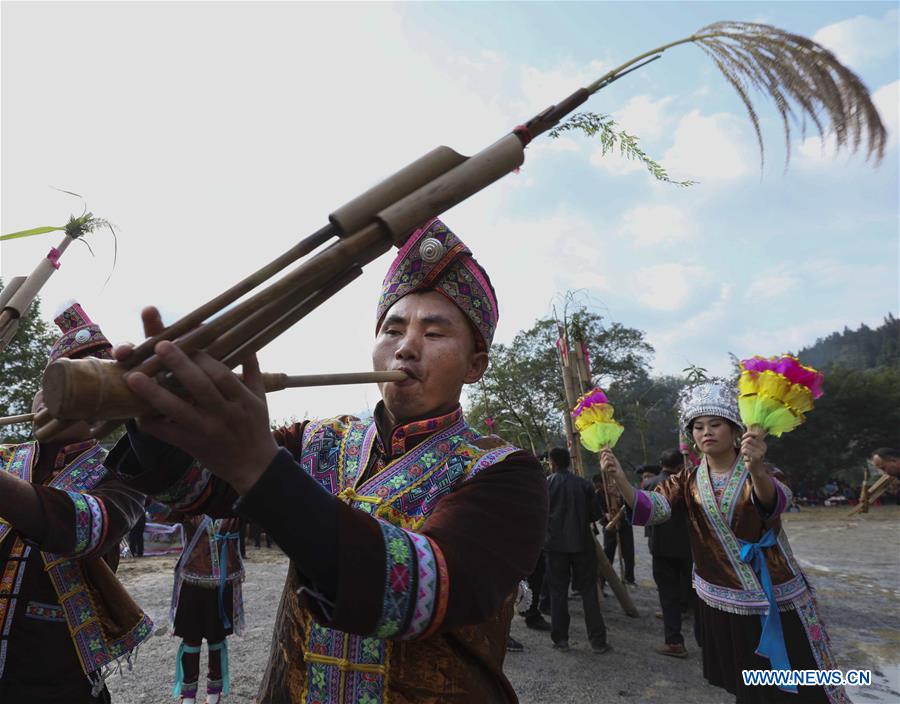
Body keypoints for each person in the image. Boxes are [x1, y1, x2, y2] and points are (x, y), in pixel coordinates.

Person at [107, 218, 548, 702]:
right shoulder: (319, 440)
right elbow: (198, 489)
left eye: (435, 333)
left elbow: (426, 589)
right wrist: (154, 417)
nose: (405, 347)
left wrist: (260, 468)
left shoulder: (505, 473)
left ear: (475, 365)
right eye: (392, 329)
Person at [601, 379, 849, 704]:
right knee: (747, 683)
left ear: (735, 430)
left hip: (774, 590)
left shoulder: (766, 471)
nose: (706, 432)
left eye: (715, 424)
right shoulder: (686, 480)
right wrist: (620, 478)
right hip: (722, 594)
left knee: (800, 682)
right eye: (699, 427)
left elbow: (774, 504)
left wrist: (756, 470)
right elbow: (655, 509)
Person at [0, 303, 152, 703]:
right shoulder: (6, 458)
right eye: (52, 381)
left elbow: (88, 529)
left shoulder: (122, 474)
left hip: (56, 680)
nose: (55, 396)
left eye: (78, 385)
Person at [171, 514, 245, 704]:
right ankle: (188, 695)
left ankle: (214, 694)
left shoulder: (234, 506)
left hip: (223, 583)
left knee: (216, 638)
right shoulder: (190, 505)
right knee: (191, 639)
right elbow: (163, 512)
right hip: (193, 583)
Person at [545, 447, 609, 654]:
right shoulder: (584, 485)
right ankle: (597, 641)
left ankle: (560, 639)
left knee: (558, 592)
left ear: (553, 463)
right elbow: (595, 515)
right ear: (569, 462)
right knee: (589, 591)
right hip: (582, 544)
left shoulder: (545, 485)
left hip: (555, 546)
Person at [646, 449, 693, 659]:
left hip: (661, 546)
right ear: (680, 466)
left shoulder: (650, 484)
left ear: (660, 463)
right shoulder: (688, 483)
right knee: (694, 593)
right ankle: (706, 641)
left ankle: (674, 641)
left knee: (667, 595)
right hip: (687, 545)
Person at [598, 475, 635, 586]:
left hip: (625, 525)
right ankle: (602, 580)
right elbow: (597, 508)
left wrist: (618, 496)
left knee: (628, 553)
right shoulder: (599, 493)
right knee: (608, 553)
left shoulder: (623, 491)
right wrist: (605, 515)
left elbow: (631, 504)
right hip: (609, 526)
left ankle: (629, 578)